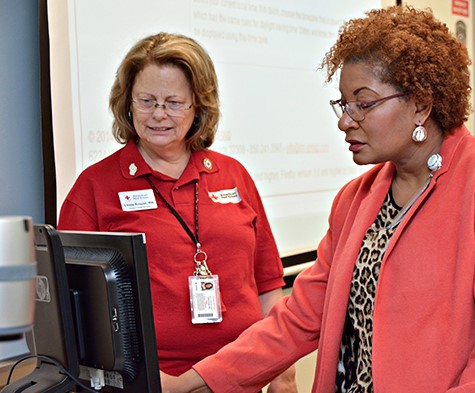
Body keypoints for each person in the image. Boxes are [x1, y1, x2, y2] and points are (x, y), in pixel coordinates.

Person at [162, 5, 475, 393]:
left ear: (421, 103)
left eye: (363, 104)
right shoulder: (355, 199)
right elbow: (296, 320)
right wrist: (191, 383)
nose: (345, 120)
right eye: (343, 104)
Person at [56, 32, 297, 392]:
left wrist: (283, 372)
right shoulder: (94, 188)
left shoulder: (233, 175)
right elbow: (74, 316)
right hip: (151, 385)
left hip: (242, 378)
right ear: (127, 103)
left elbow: (267, 284)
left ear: (198, 107)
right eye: (146, 100)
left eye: (173, 103)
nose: (158, 115)